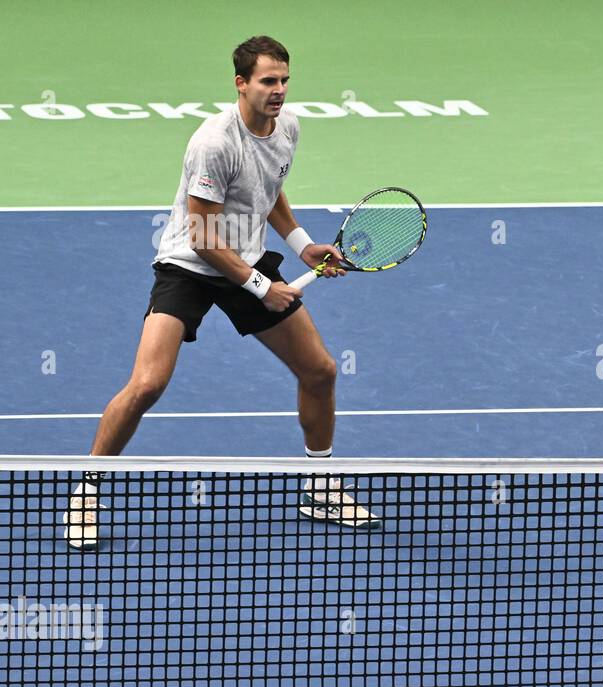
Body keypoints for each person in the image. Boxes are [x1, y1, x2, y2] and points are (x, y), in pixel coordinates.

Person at [63, 35, 377, 550]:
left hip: (246, 258)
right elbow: (204, 237)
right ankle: (86, 491)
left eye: (284, 80)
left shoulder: (287, 127)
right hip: (190, 265)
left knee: (319, 371)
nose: (278, 91)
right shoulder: (213, 143)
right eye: (267, 81)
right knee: (146, 385)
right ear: (241, 84)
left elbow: (267, 190)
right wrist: (261, 288)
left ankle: (321, 484)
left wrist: (300, 246)